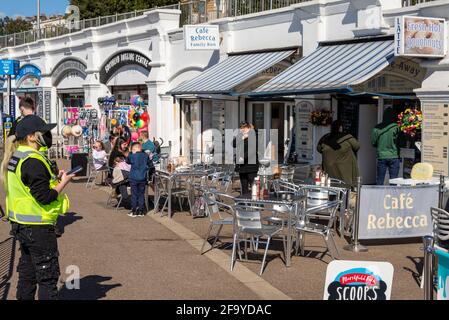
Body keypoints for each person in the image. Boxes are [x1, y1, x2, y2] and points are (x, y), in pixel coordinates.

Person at [1, 115, 73, 300]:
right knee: (47, 278)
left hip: (22, 226)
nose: (48, 134)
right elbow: (44, 197)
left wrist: (53, 181)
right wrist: (63, 183)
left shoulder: (17, 156)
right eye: (44, 131)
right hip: (38, 228)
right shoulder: (33, 160)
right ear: (32, 136)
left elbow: (31, 187)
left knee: (28, 274)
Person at [317, 120, 360, 188]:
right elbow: (357, 146)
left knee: (333, 186)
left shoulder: (325, 138)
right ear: (340, 127)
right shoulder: (347, 137)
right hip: (345, 170)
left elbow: (319, 149)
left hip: (329, 171)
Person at [371, 107, 401, 185]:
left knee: (380, 180)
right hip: (394, 156)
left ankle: (378, 196)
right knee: (394, 181)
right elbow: (400, 142)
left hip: (382, 156)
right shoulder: (396, 127)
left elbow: (373, 142)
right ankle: (393, 196)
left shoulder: (377, 127)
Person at [126, 142, 152, 217]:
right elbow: (150, 165)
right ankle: (141, 211)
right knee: (141, 194)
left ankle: (134, 210)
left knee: (134, 194)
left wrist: (130, 152)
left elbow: (127, 161)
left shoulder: (132, 156)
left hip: (133, 178)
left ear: (133, 149)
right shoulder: (145, 156)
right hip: (142, 178)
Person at [233, 122, 259, 195]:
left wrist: (243, 157)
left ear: (249, 128)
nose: (242, 130)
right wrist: (242, 138)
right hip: (241, 166)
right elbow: (234, 144)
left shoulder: (254, 136)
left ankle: (258, 204)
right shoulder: (241, 135)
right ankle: (244, 203)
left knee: (254, 186)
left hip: (251, 166)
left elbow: (252, 150)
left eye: (243, 129)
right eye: (241, 128)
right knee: (244, 187)